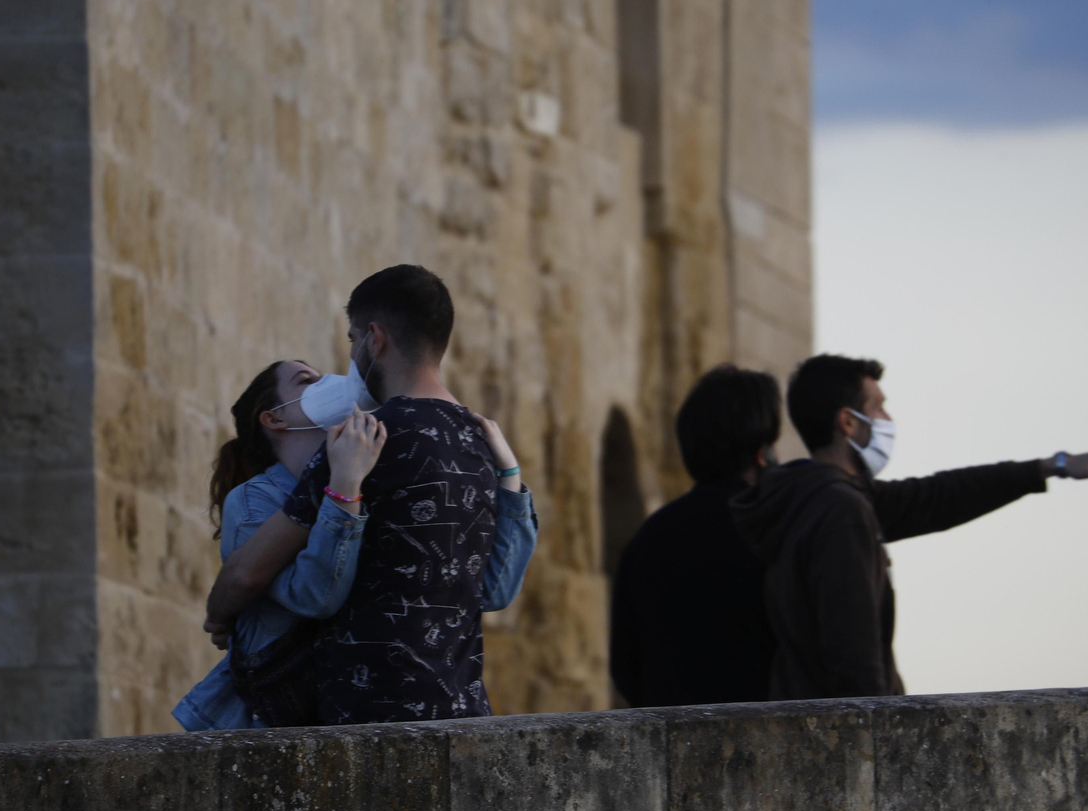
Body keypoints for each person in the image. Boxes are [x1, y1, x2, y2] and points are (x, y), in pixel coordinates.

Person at [199, 265, 537, 726]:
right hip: (461, 711)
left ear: (374, 340)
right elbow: (493, 591)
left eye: (353, 339)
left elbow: (253, 575)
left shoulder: (363, 440)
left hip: (368, 711)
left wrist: (220, 614)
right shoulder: (479, 443)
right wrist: (512, 480)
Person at [730, 354, 1088, 701]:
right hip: (840, 738)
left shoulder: (812, 498)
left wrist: (1053, 466)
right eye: (878, 407)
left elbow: (942, 494)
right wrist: (881, 732)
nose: (888, 419)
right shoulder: (841, 510)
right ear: (848, 422)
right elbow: (853, 654)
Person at [610, 365, 781, 707]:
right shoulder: (775, 529)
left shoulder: (649, 538)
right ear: (761, 453)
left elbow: (625, 667)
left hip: (669, 731)